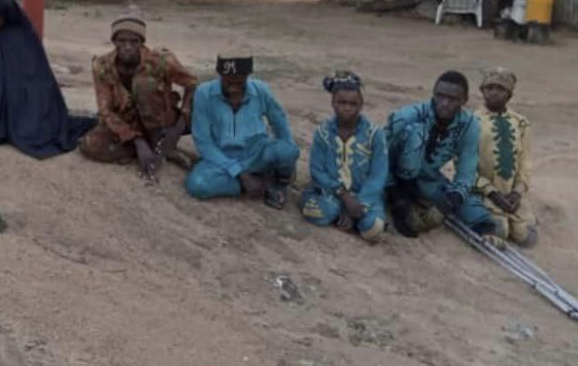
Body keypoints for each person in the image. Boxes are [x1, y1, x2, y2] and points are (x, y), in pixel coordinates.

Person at [0, 0, 94, 159]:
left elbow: (36, 78)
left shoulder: (22, 36)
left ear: (6, 16)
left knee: (33, 128)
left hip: (23, 101)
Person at [78, 14, 197, 181]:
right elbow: (105, 111)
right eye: (122, 41)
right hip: (128, 121)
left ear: (142, 42)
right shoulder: (102, 65)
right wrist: (137, 141)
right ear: (114, 42)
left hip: (160, 119)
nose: (128, 47)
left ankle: (160, 141)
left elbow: (193, 84)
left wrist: (178, 128)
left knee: (143, 84)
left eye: (134, 41)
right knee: (89, 145)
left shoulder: (161, 60)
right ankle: (155, 148)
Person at [385, 71, 495, 238]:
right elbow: (378, 156)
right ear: (433, 95)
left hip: (426, 178)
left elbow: (466, 172)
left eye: (452, 99)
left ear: (464, 101)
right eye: (440, 96)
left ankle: (416, 198)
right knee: (417, 133)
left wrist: (451, 201)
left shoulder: (470, 125)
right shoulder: (406, 116)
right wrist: (396, 198)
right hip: (390, 177)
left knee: (478, 215)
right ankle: (401, 199)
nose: (444, 103)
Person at [185, 56, 299, 208]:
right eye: (228, 82)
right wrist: (242, 176)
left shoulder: (261, 90)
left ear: (247, 76)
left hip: (256, 152)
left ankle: (279, 181)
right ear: (220, 75)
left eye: (239, 83)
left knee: (288, 151)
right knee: (197, 185)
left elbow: (279, 121)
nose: (233, 88)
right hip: (222, 158)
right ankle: (263, 183)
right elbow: (204, 143)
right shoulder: (203, 94)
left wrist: (287, 160)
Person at [300, 71, 388, 241]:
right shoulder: (323, 132)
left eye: (353, 103)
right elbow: (317, 170)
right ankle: (342, 214)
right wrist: (344, 197)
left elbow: (378, 176)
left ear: (361, 104)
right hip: (332, 193)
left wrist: (358, 204)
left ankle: (350, 216)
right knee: (319, 212)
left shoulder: (375, 134)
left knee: (374, 229)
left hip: (363, 196)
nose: (347, 108)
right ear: (333, 103)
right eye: (341, 102)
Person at [474, 68, 537, 246]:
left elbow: (525, 162)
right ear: (482, 91)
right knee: (500, 232)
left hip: (512, 195)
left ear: (509, 95)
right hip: (483, 192)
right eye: (489, 87)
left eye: (500, 89)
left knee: (528, 238)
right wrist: (491, 192)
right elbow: (464, 164)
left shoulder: (521, 122)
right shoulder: (471, 120)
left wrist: (518, 192)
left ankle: (517, 212)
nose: (494, 92)